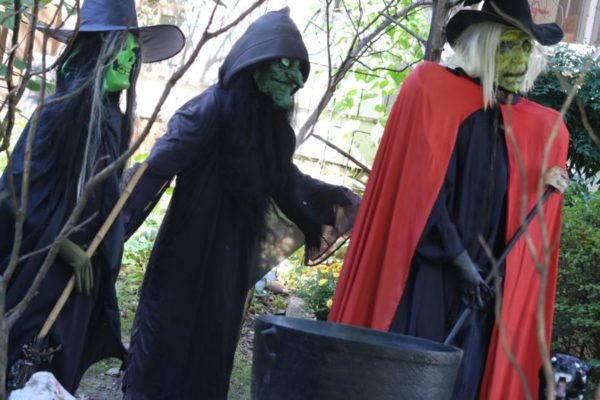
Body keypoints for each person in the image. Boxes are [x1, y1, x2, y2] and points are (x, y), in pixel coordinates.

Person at [329, 0, 569, 399]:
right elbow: (420, 192)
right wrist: (460, 261)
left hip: (487, 288)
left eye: (526, 48)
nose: (519, 59)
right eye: (508, 45)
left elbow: (522, 218)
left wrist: (546, 182)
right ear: (481, 46)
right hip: (426, 274)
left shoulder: (538, 126)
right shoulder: (430, 90)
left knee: (466, 380)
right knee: (410, 377)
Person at [120, 7, 360, 399]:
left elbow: (286, 181)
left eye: (298, 71)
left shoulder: (269, 127)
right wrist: (106, 228)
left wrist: (340, 200)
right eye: (283, 67)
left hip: (228, 264)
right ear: (256, 64)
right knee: (164, 351)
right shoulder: (209, 109)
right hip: (186, 256)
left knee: (210, 355)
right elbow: (154, 171)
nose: (293, 79)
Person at [0, 0, 184, 392]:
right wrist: (60, 244)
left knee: (60, 370)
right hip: (40, 274)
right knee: (24, 366)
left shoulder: (113, 121)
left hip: (82, 281)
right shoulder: (56, 113)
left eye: (135, 52)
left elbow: (104, 198)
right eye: (123, 47)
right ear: (95, 50)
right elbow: (14, 193)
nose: (131, 60)